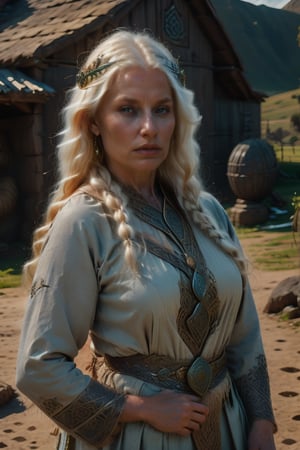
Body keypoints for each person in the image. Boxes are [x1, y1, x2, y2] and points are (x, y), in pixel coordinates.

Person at [16, 29, 277, 450]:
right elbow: (37, 366)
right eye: (128, 110)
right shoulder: (83, 222)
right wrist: (136, 408)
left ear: (178, 119)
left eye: (161, 109)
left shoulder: (208, 213)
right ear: (95, 121)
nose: (149, 128)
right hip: (140, 436)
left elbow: (244, 334)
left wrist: (261, 421)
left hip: (228, 424)